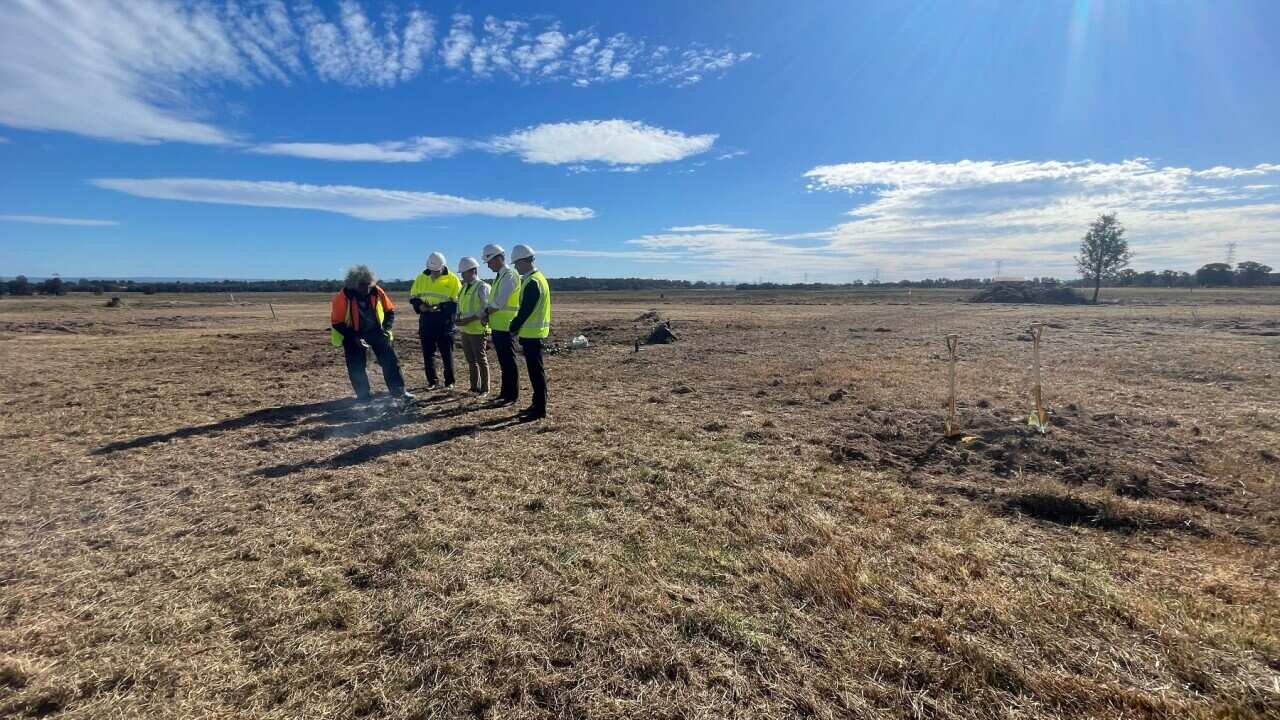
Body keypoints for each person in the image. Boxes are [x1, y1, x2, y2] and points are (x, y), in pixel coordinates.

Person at [329, 265, 413, 403]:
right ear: (353, 285)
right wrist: (354, 337)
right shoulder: (342, 297)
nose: (366, 288)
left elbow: (389, 311)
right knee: (356, 367)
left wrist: (386, 328)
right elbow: (337, 322)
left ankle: (399, 392)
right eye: (362, 285)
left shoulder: (377, 291)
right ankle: (364, 397)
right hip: (353, 334)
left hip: (377, 332)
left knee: (390, 362)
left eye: (368, 285)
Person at [507, 244, 551, 420]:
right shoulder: (535, 278)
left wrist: (513, 327)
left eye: (516, 264)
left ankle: (539, 409)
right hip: (533, 334)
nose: (516, 267)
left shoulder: (533, 281)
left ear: (524, 261)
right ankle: (536, 404)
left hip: (533, 335)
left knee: (536, 373)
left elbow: (526, 310)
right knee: (535, 372)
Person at [409, 252, 461, 390]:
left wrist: (441, 307)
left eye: (437, 271)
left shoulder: (453, 279)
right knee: (428, 354)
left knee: (447, 354)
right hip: (426, 321)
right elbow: (413, 296)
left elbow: (457, 301)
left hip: (445, 322)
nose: (435, 273)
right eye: (432, 271)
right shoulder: (421, 278)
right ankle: (432, 381)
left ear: (443, 266)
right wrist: (420, 306)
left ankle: (449, 382)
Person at [482, 243, 521, 406]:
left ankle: (512, 396)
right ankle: (505, 393)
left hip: (506, 326)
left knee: (509, 362)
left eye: (489, 261)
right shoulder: (500, 276)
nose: (488, 265)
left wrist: (484, 314)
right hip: (498, 326)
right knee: (504, 362)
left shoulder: (509, 275)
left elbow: (498, 302)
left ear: (498, 258)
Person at [455, 256, 491, 396]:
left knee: (481, 359)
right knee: (471, 360)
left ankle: (485, 388)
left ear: (473, 271)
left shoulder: (482, 287)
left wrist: (469, 319)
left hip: (478, 329)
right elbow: (460, 306)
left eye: (464, 272)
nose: (462, 275)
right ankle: (474, 387)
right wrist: (458, 318)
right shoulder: (463, 288)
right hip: (465, 329)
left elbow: (485, 308)